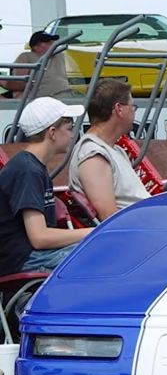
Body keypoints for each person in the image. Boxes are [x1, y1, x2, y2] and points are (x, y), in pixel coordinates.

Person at [0, 97, 93, 276]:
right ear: (52, 132)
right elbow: (39, 238)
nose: (73, 134)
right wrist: (93, 233)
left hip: (26, 256)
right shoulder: (28, 171)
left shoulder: (31, 166)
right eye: (69, 128)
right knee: (98, 255)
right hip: (23, 259)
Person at [68, 79, 150, 220]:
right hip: (135, 235)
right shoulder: (92, 153)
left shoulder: (113, 150)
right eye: (133, 106)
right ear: (119, 109)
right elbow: (109, 217)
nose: (134, 112)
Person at [0, 31, 75, 99]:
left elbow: (18, 84)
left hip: (40, 99)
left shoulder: (26, 56)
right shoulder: (61, 56)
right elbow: (18, 84)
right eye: (48, 42)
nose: (53, 44)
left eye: (52, 42)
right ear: (36, 47)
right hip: (66, 96)